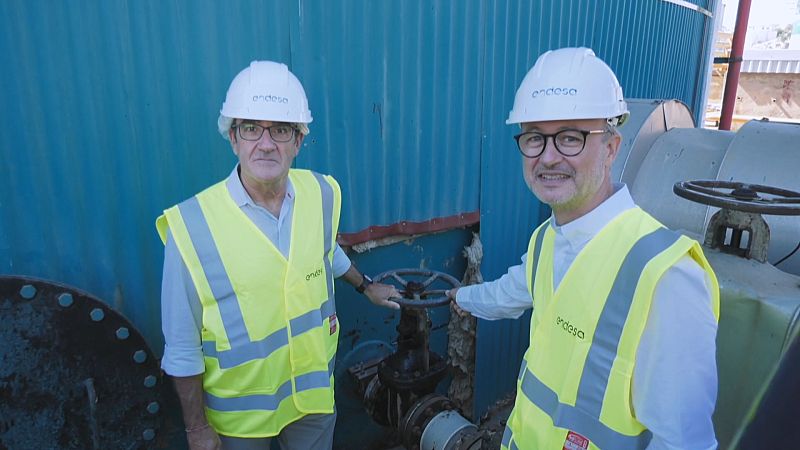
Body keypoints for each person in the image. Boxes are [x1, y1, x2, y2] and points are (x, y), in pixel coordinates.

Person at [446, 48, 720, 450]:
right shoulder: (547, 239)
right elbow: (511, 292)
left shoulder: (665, 276)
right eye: (535, 137)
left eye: (571, 138)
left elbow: (682, 442)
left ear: (611, 148)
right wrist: (463, 298)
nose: (548, 157)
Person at [156, 60, 400, 450]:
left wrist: (365, 286)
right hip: (242, 421)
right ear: (233, 138)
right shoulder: (191, 227)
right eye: (251, 128)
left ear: (298, 141)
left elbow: (324, 251)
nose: (266, 143)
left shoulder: (320, 193)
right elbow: (182, 347)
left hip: (312, 397)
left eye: (281, 129)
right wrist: (196, 428)